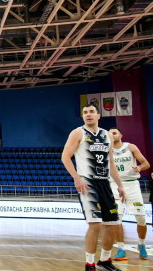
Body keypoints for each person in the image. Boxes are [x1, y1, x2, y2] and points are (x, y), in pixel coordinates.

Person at [61, 104, 125, 271]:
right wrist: (76, 178)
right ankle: (89, 264)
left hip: (105, 182)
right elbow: (65, 157)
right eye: (85, 112)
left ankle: (104, 260)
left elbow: (111, 162)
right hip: (88, 183)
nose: (88, 115)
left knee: (113, 224)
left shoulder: (106, 135)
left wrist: (120, 185)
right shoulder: (77, 133)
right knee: (95, 224)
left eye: (91, 112)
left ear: (98, 115)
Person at [108, 127, 149, 261]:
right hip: (115, 185)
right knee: (117, 219)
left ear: (121, 135)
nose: (112, 135)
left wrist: (139, 168)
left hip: (132, 185)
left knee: (141, 218)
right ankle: (121, 249)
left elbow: (146, 164)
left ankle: (141, 245)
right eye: (110, 133)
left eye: (114, 132)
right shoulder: (106, 151)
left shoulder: (131, 147)